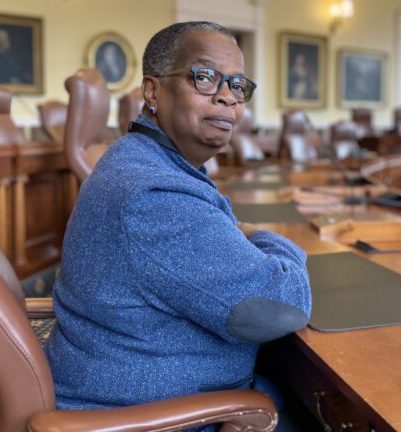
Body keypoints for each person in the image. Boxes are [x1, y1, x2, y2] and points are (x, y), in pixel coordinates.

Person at [45, 21, 311, 430]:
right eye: (205, 78)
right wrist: (274, 239)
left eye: (238, 85)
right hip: (149, 414)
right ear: (153, 92)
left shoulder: (140, 160)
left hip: (133, 385)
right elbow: (281, 307)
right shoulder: (156, 195)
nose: (228, 97)